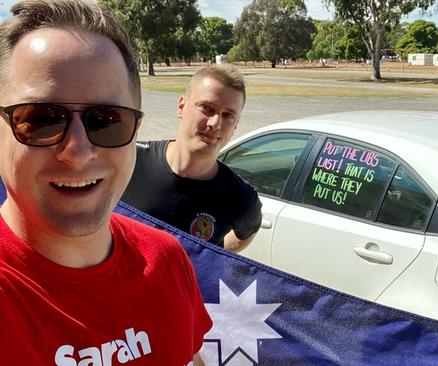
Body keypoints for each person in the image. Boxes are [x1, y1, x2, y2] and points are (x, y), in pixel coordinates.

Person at [0, 1, 211, 364]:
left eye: (107, 120)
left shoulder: (166, 259)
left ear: (135, 132)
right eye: (39, 119)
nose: (78, 151)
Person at [121, 65, 262, 252]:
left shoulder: (241, 197)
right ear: (181, 106)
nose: (215, 123)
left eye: (228, 115)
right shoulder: (130, 160)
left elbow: (246, 233)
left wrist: (210, 260)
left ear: (236, 125)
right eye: (207, 108)